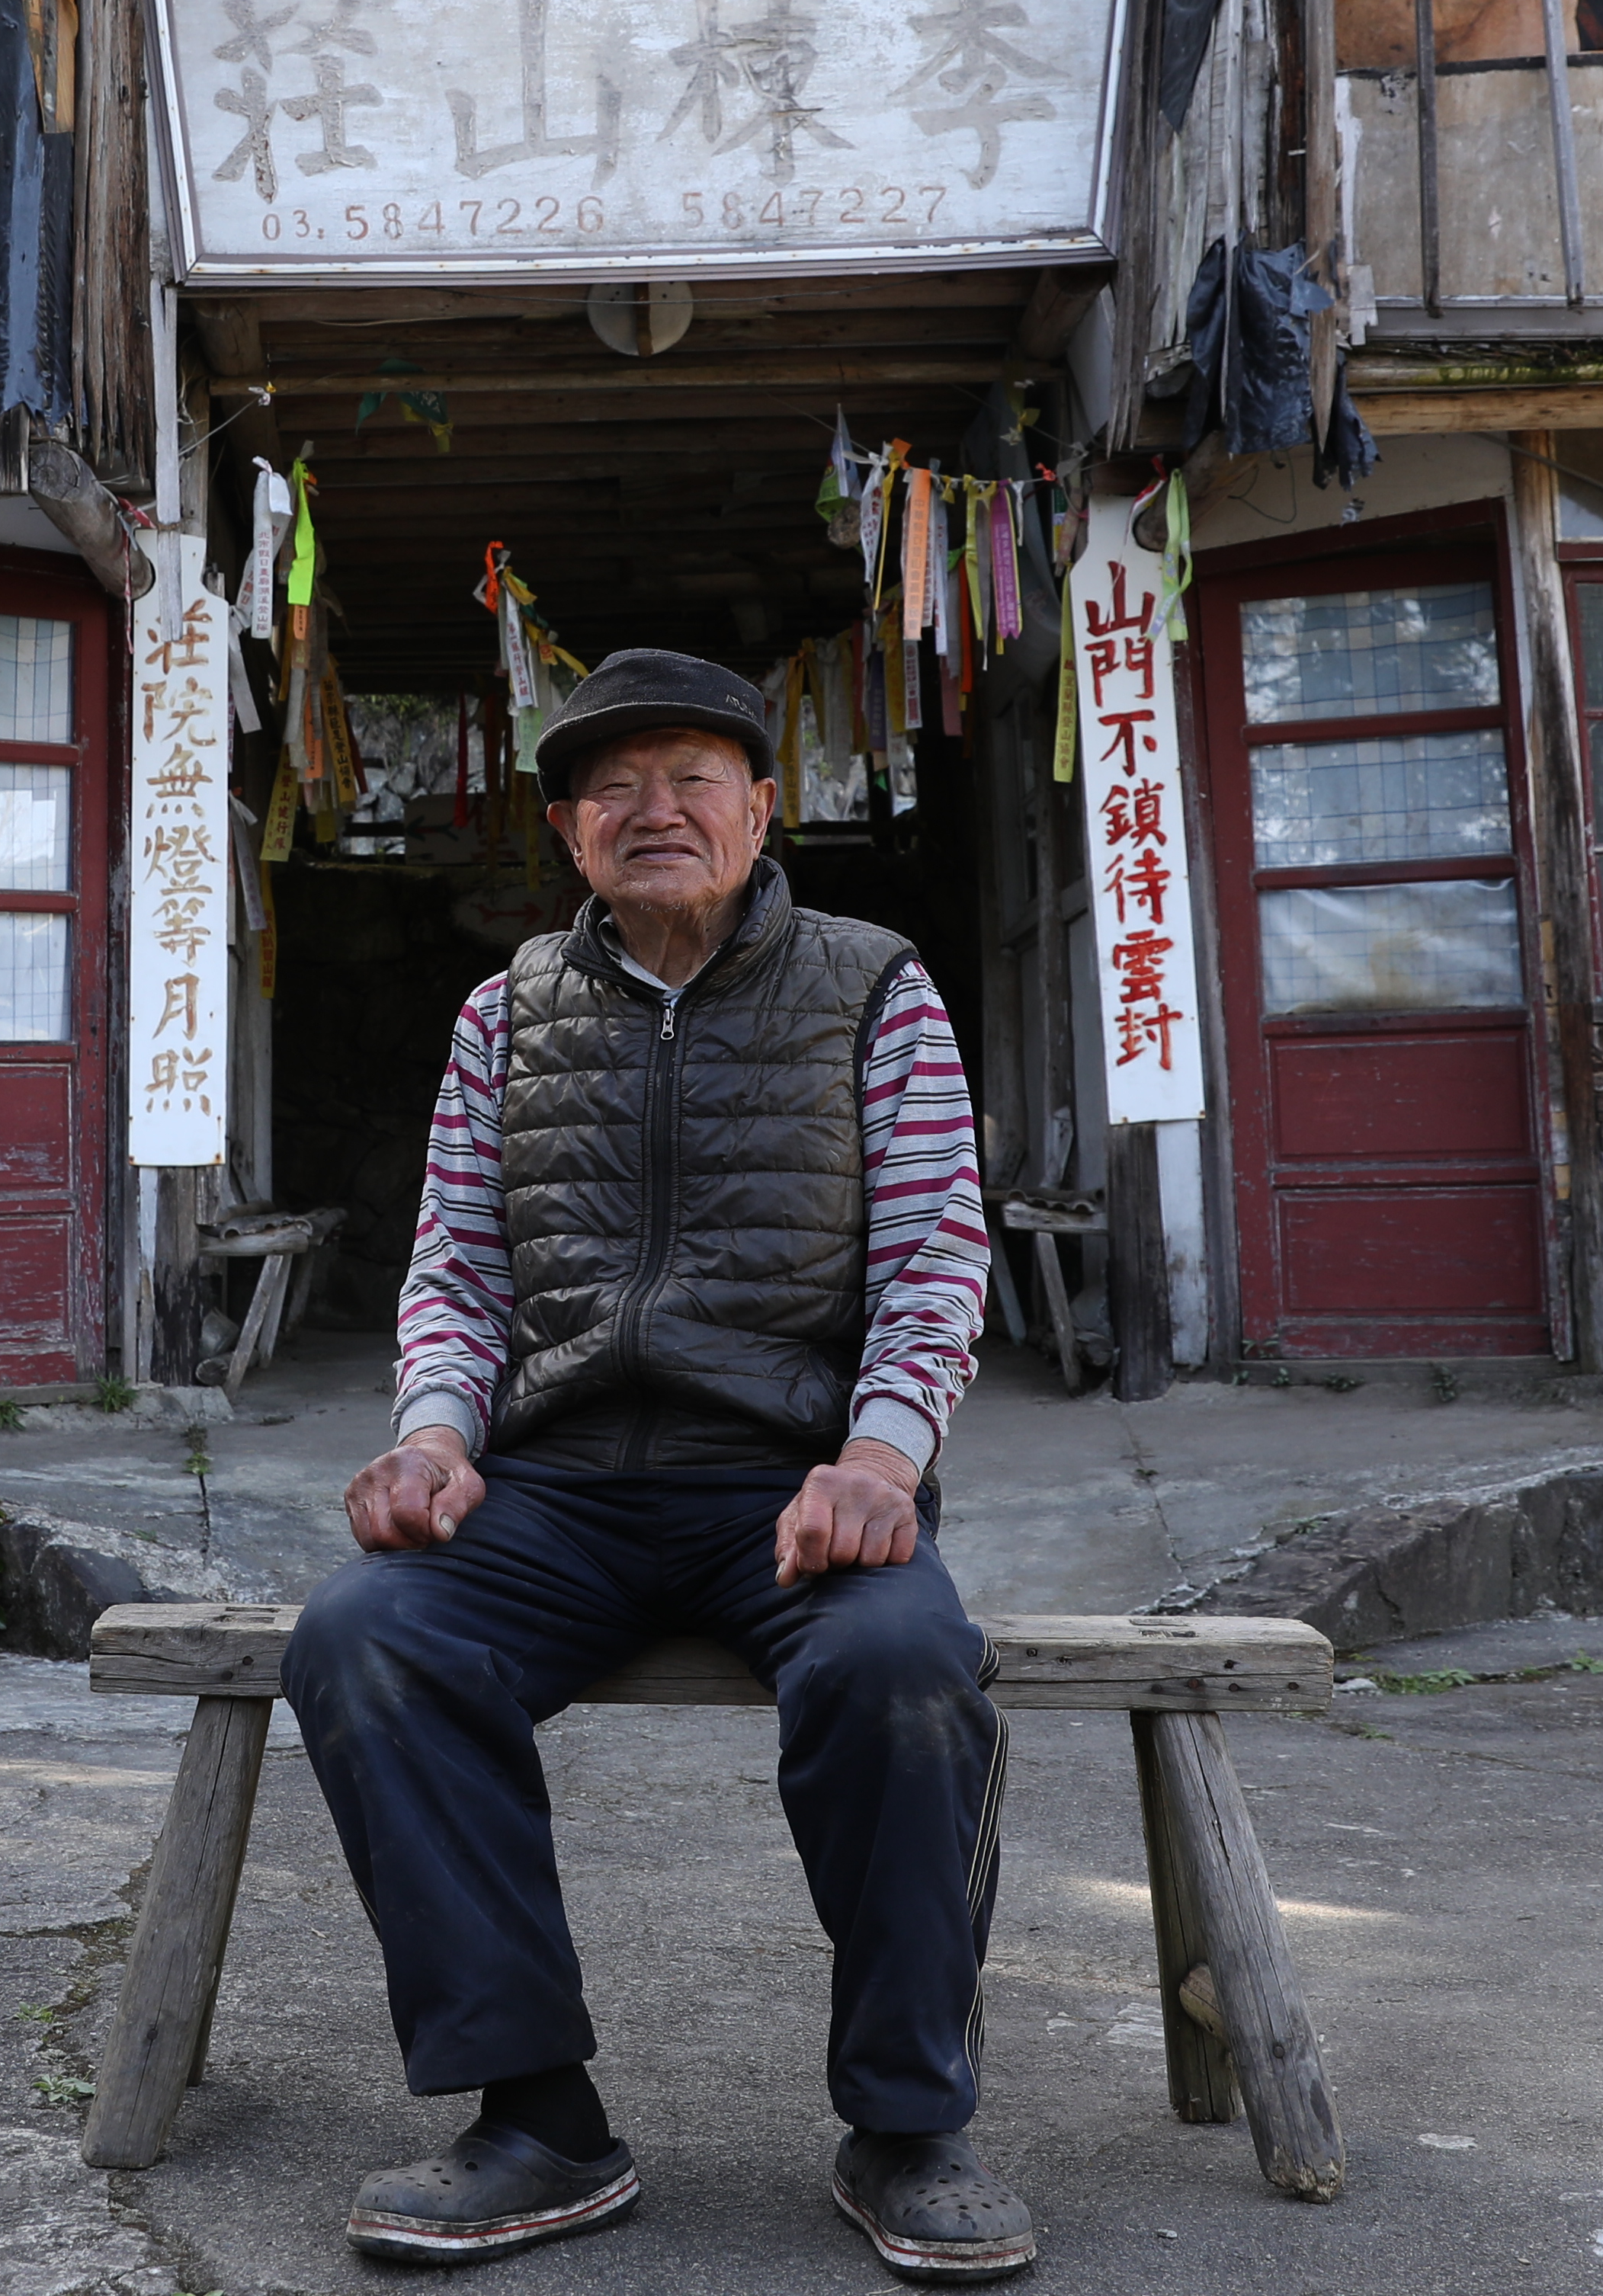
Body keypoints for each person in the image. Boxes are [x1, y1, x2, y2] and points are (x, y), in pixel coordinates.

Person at [283, 645, 1027, 2280]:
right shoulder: (505, 1013)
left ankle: (909, 2123)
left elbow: (932, 1253)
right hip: (557, 1489)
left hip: (794, 1484)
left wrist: (880, 1455)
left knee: (903, 1669)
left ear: (762, 808)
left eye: (694, 776)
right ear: (570, 833)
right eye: (614, 787)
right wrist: (433, 1438)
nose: (656, 810)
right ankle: (539, 2117)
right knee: (366, 1632)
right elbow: (460, 1269)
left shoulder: (874, 985)